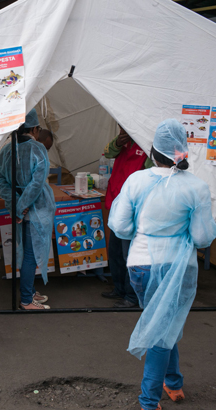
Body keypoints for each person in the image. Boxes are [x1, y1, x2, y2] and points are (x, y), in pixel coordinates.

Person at [109, 119, 216, 410]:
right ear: (182, 152)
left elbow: (120, 226)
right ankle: (148, 400)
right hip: (178, 266)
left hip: (141, 264)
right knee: (162, 327)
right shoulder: (196, 187)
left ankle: (173, 380)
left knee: (164, 322)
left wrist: (142, 233)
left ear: (152, 152)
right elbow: (203, 237)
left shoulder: (136, 180)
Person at [0, 108, 55, 310]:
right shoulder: (38, 149)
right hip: (35, 209)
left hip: (20, 211)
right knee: (30, 254)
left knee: (24, 251)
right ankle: (26, 300)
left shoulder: (6, 149)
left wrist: (16, 205)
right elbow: (37, 184)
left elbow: (0, 181)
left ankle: (28, 289)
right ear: (35, 129)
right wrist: (23, 207)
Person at [102, 126, 154, 308]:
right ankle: (119, 289)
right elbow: (107, 153)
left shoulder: (147, 144)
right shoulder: (123, 142)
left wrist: (148, 148)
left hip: (134, 207)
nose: (122, 128)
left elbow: (151, 168)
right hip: (117, 203)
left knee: (129, 254)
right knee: (115, 251)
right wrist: (118, 141)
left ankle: (132, 296)